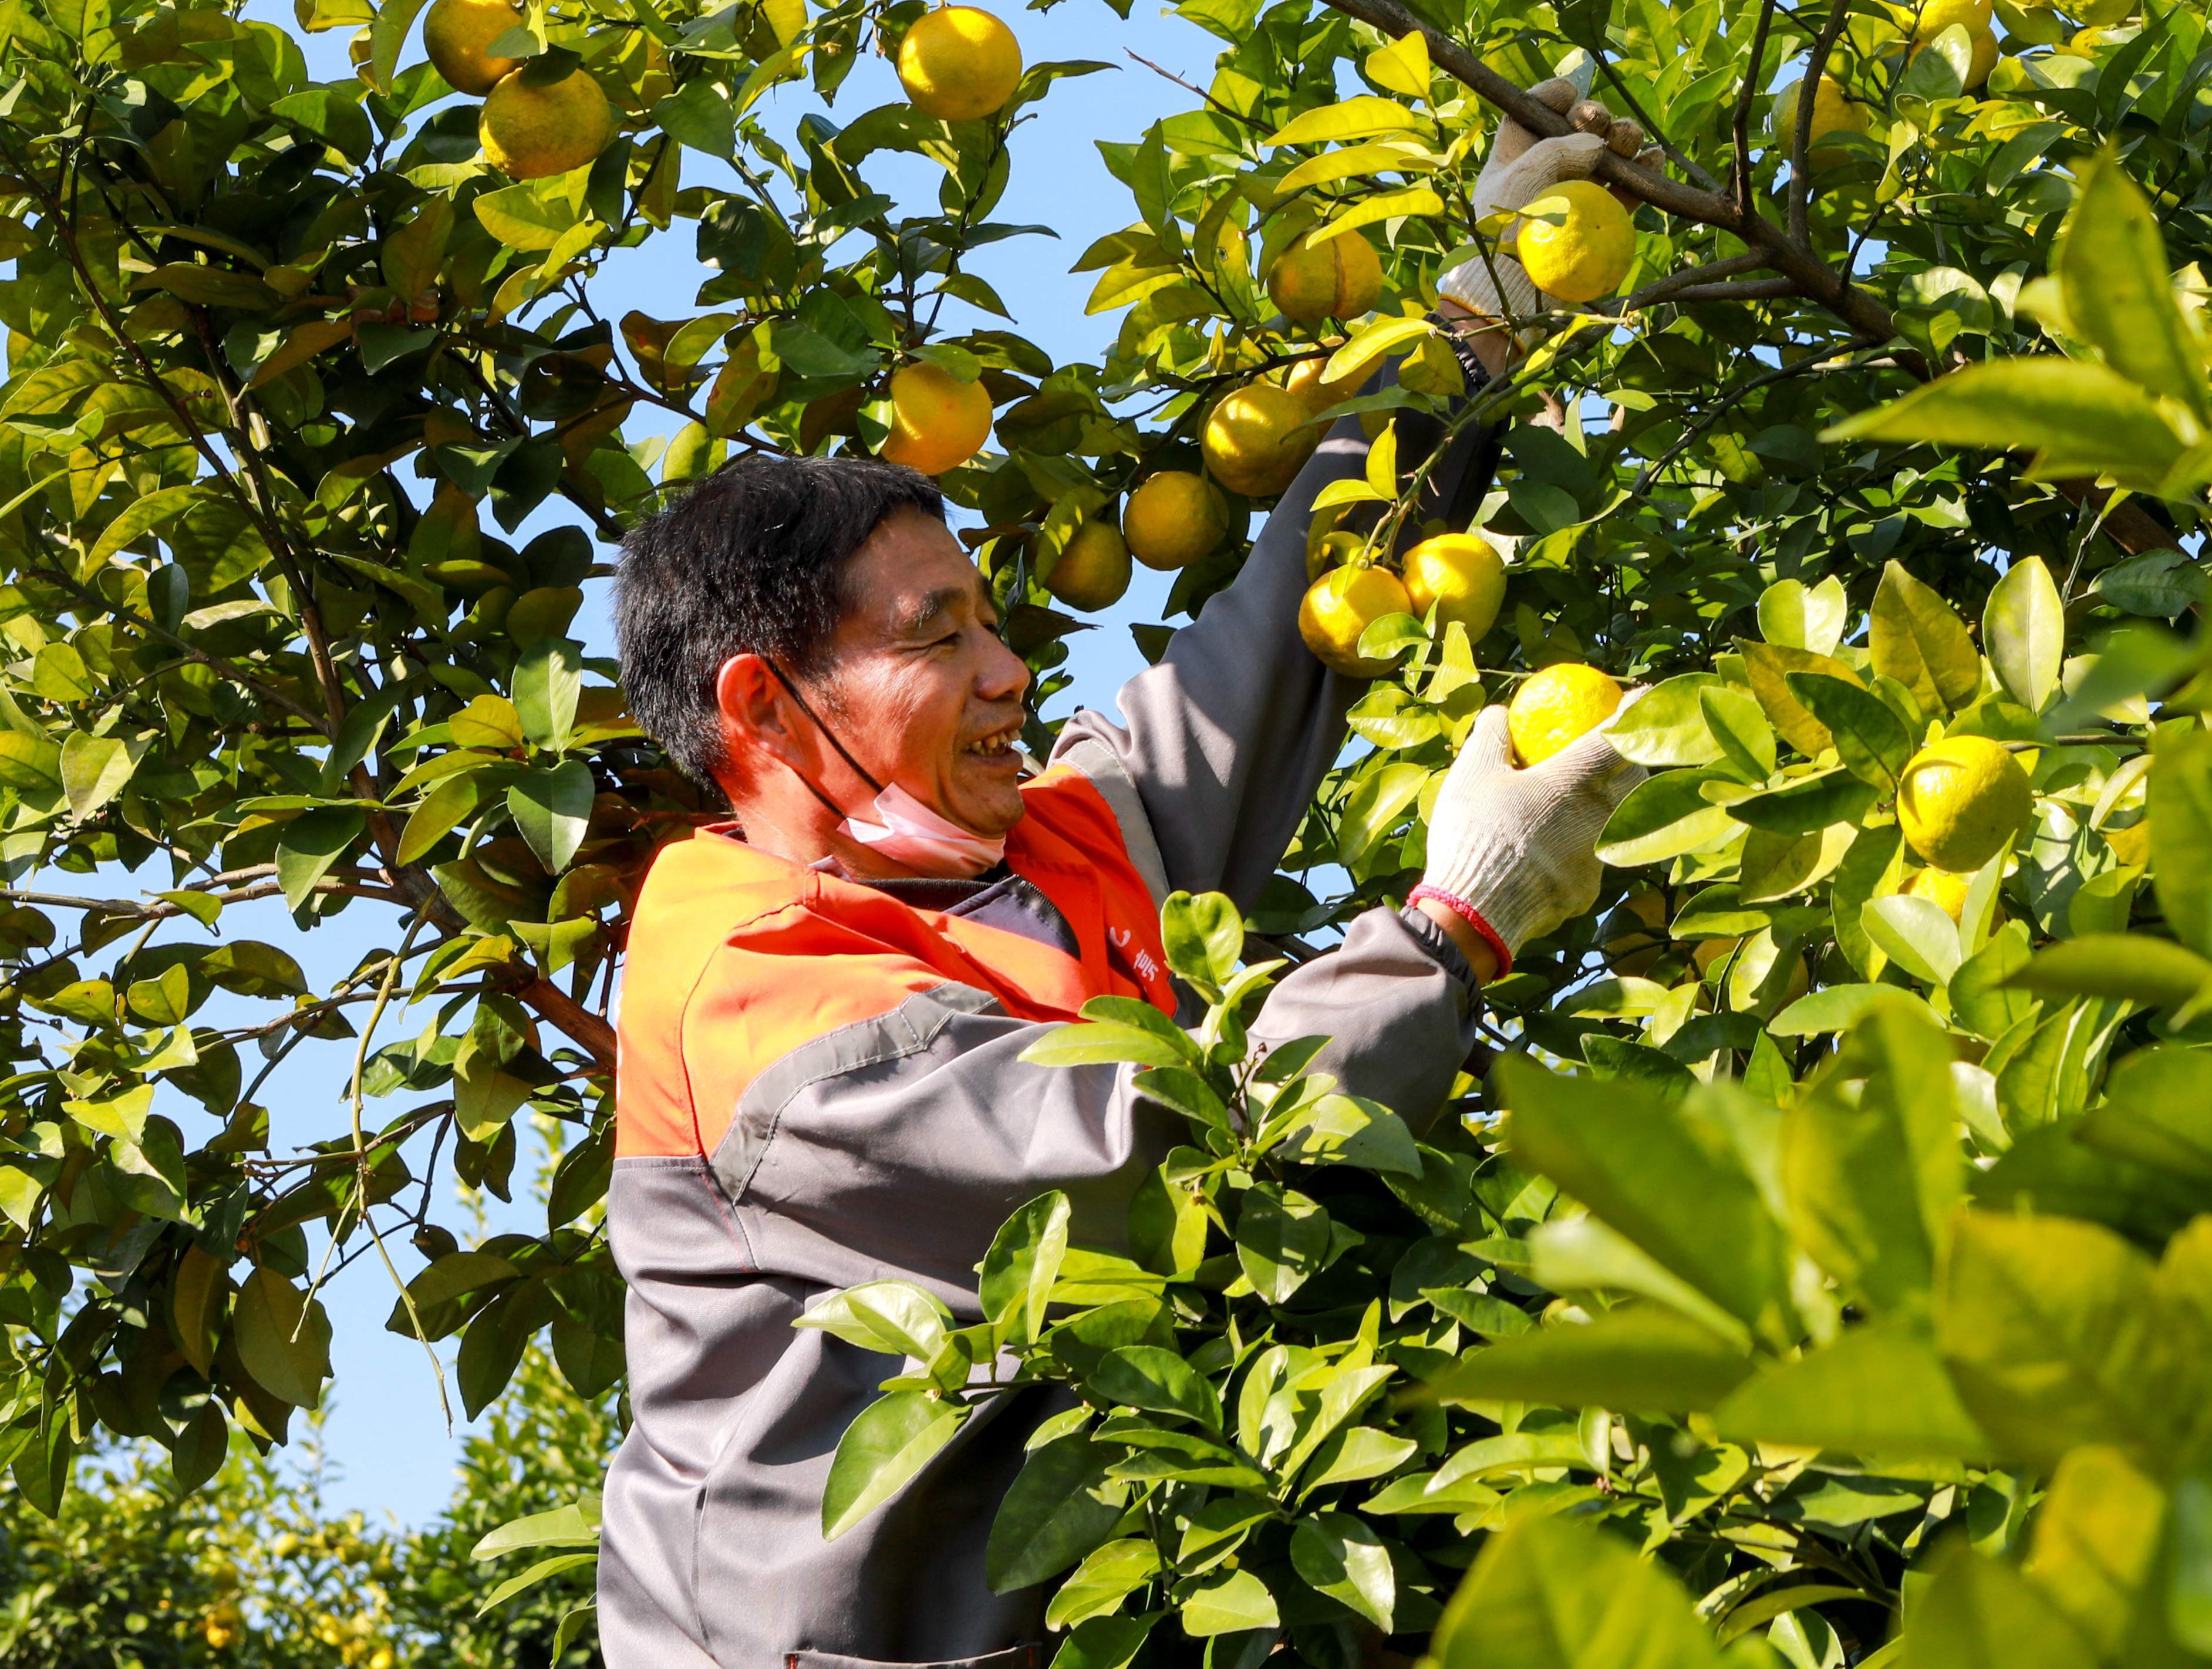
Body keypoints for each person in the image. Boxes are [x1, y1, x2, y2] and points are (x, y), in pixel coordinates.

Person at [593, 88, 1646, 1669]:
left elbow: (1283, 632)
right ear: (762, 707)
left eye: (993, 619)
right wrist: (1451, 926)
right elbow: (1139, 1161)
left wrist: (1469, 331)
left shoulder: (1020, 844)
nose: (1011, 671)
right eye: (937, 635)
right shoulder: (747, 988)